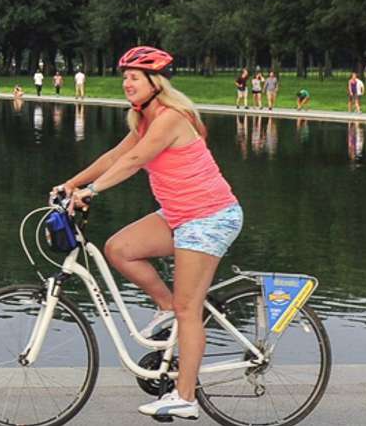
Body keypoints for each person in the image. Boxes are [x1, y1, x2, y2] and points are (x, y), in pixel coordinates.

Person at [56, 46, 241, 421]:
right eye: (124, 77)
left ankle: (185, 397)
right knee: (120, 248)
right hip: (177, 214)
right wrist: (70, 184)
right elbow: (115, 155)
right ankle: (165, 306)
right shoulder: (142, 120)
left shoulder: (171, 118)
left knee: (190, 309)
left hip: (209, 218)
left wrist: (93, 192)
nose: (127, 83)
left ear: (155, 84)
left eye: (134, 78)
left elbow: (135, 161)